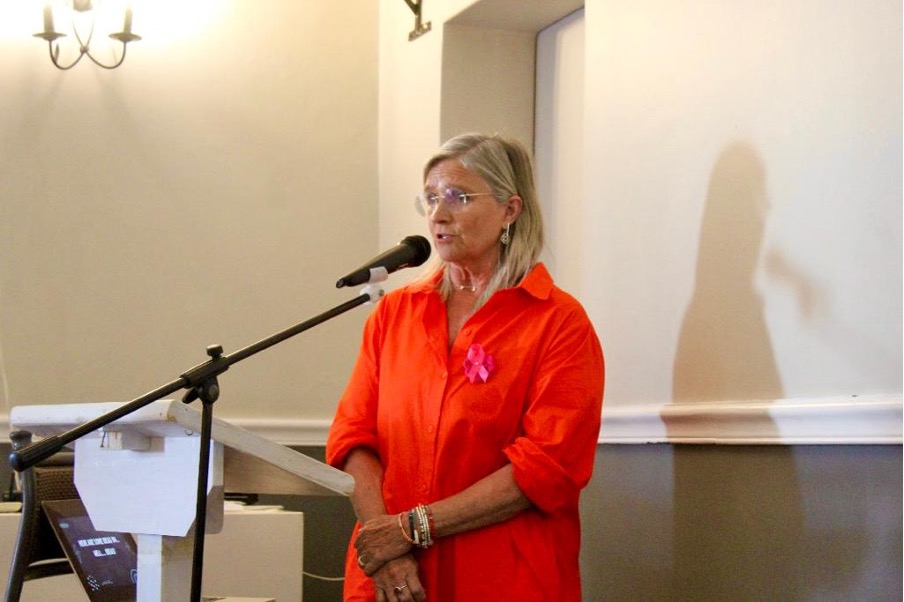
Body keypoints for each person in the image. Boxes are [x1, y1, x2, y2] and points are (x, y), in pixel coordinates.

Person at [326, 133, 605, 601]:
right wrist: (388, 546)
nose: (438, 213)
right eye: (431, 198)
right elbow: (352, 437)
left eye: (458, 197)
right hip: (393, 577)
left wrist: (411, 529)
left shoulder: (558, 322)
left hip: (502, 576)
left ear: (510, 210)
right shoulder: (395, 313)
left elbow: (546, 468)